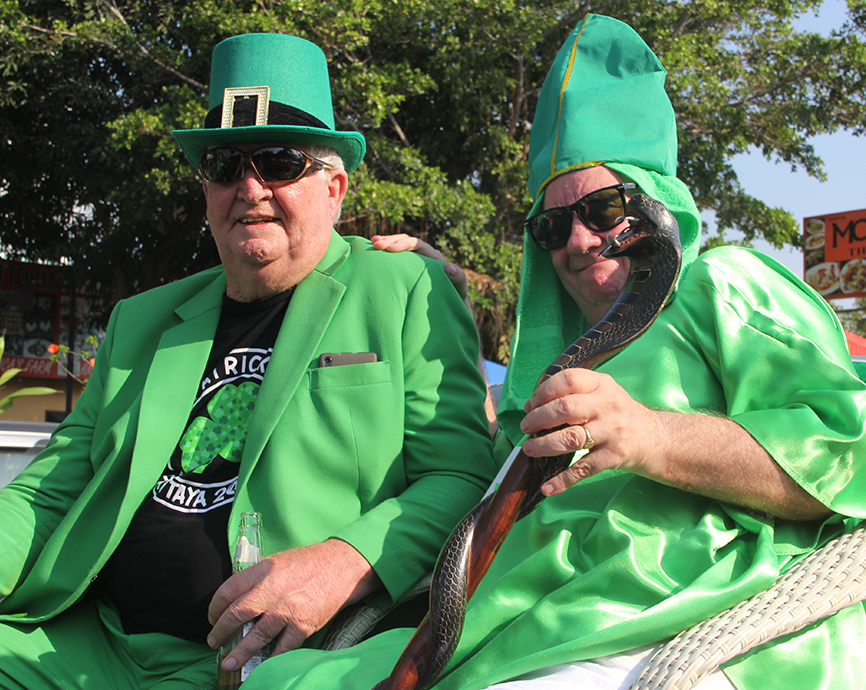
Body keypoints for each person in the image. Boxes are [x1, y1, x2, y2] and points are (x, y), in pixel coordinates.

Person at [240, 15, 866, 690]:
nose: (580, 240)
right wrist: (433, 305)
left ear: (655, 203)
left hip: (659, 617)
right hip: (503, 625)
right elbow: (480, 491)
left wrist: (650, 435)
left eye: (605, 209)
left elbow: (849, 452)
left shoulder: (725, 285)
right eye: (553, 224)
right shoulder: (561, 365)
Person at [0, 33, 496, 690]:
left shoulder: (405, 291)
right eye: (224, 165)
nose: (249, 187)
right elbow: (49, 490)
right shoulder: (142, 320)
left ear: (334, 187)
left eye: (279, 162)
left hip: (269, 660)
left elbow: (459, 475)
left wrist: (343, 562)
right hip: (92, 641)